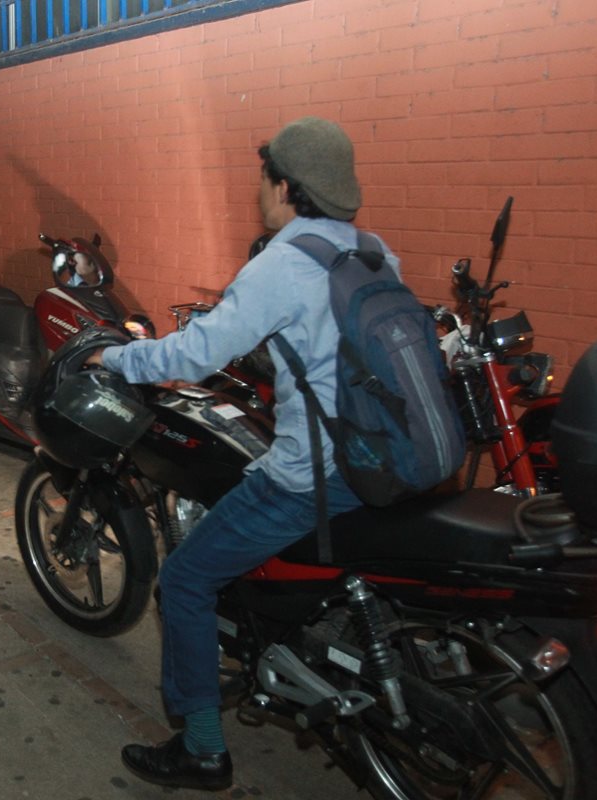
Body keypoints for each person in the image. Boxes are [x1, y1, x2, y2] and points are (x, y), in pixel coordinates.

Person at [85, 117, 401, 791]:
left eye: (263, 178)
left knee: (185, 581)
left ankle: (201, 748)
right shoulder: (374, 251)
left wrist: (114, 355)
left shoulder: (283, 262)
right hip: (384, 462)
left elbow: (194, 354)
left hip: (313, 477)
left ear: (285, 185)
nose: (259, 191)